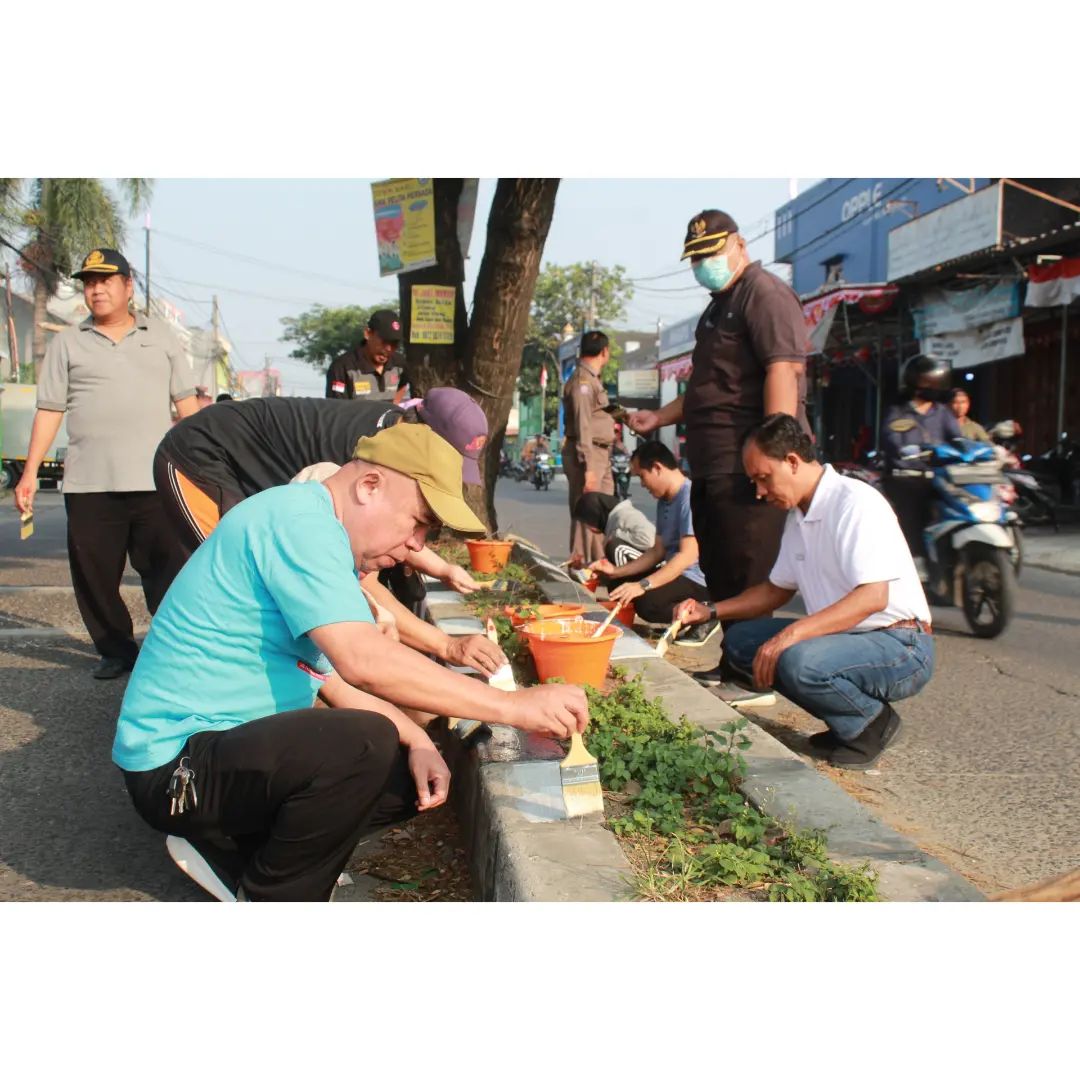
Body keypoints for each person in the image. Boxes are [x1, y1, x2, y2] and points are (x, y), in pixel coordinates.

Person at [113, 422, 589, 902]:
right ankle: (273, 896)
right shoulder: (300, 523)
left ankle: (235, 845)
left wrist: (421, 739)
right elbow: (363, 660)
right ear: (369, 486)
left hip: (223, 751)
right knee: (364, 744)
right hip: (176, 770)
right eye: (418, 522)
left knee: (407, 771)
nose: (418, 546)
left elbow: (331, 682)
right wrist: (515, 707)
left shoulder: (320, 534)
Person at [675, 414, 934, 770]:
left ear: (792, 462)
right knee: (742, 642)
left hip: (902, 644)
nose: (760, 492)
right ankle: (846, 722)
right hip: (850, 638)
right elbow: (775, 591)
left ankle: (871, 725)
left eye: (764, 478)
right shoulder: (799, 516)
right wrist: (711, 611)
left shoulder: (854, 502)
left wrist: (789, 636)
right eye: (754, 481)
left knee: (796, 659)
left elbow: (873, 597)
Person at [626, 210, 810, 680]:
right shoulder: (716, 308)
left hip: (746, 465)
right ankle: (735, 663)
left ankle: (756, 674)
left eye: (712, 253)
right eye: (697, 258)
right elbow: (708, 388)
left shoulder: (764, 294)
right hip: (712, 466)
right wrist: (659, 417)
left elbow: (783, 371)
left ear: (740, 245)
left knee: (750, 571)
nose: (704, 264)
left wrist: (770, 456)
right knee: (724, 569)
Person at [13, 248, 199, 679]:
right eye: (89, 283)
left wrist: (200, 468)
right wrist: (28, 473)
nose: (95, 290)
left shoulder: (162, 338)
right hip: (89, 483)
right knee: (94, 577)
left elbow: (188, 407)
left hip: (156, 481)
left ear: (127, 287)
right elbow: (49, 410)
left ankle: (173, 649)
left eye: (105, 281)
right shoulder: (68, 342)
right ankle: (116, 650)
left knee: (168, 573)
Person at [154, 387, 485, 597]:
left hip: (252, 475)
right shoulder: (370, 452)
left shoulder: (393, 442)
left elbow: (397, 529)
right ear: (427, 434)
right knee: (232, 574)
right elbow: (370, 543)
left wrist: (443, 569)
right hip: (202, 453)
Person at [591, 441, 717, 643]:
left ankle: (707, 612)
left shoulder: (689, 497)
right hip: (678, 572)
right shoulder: (665, 500)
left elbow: (686, 557)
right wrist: (615, 572)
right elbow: (657, 551)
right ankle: (682, 614)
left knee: (647, 603)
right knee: (619, 585)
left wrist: (643, 585)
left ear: (657, 468)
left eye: (642, 476)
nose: (642, 484)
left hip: (699, 579)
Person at [881, 355, 963, 555]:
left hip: (938, 478)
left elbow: (957, 439)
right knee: (911, 521)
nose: (934, 386)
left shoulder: (943, 413)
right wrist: (906, 451)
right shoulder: (899, 411)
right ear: (913, 383)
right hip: (907, 479)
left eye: (937, 382)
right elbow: (891, 438)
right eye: (928, 382)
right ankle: (915, 561)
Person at [563, 330, 616, 563]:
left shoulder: (592, 380)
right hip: (589, 454)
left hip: (600, 452)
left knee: (602, 513)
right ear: (604, 352)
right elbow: (583, 425)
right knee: (587, 512)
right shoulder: (583, 382)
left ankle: (599, 567)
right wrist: (589, 468)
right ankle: (581, 569)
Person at [325, 308, 408, 402]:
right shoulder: (342, 367)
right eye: (384, 341)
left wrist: (394, 408)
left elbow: (402, 385)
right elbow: (335, 408)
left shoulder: (399, 363)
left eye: (394, 343)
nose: (389, 349)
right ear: (368, 334)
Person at [571, 491, 656, 569]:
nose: (589, 528)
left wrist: (617, 534)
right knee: (611, 553)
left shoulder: (626, 515)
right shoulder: (613, 521)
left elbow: (649, 541)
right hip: (644, 557)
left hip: (656, 562)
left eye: (588, 523)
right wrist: (584, 566)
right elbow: (605, 563)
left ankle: (625, 582)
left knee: (615, 547)